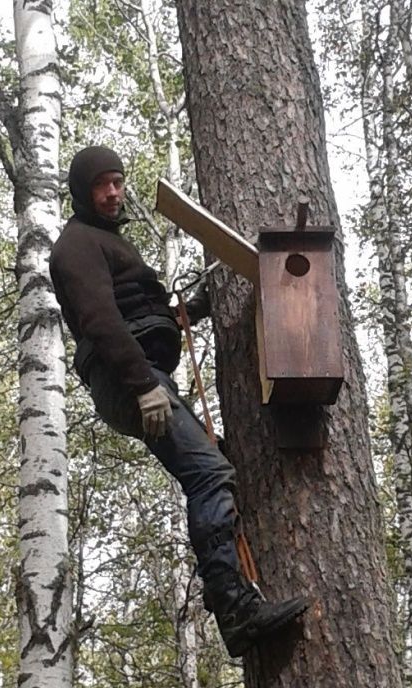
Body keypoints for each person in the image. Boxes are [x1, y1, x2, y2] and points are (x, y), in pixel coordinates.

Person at [49, 146, 307, 657]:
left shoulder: (105, 242)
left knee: (220, 464)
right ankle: (234, 608)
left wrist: (192, 309)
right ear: (82, 192)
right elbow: (101, 320)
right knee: (209, 475)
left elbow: (138, 309)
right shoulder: (75, 246)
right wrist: (143, 386)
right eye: (101, 185)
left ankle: (233, 589)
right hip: (131, 379)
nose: (112, 193)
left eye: (118, 182)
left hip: (142, 375)